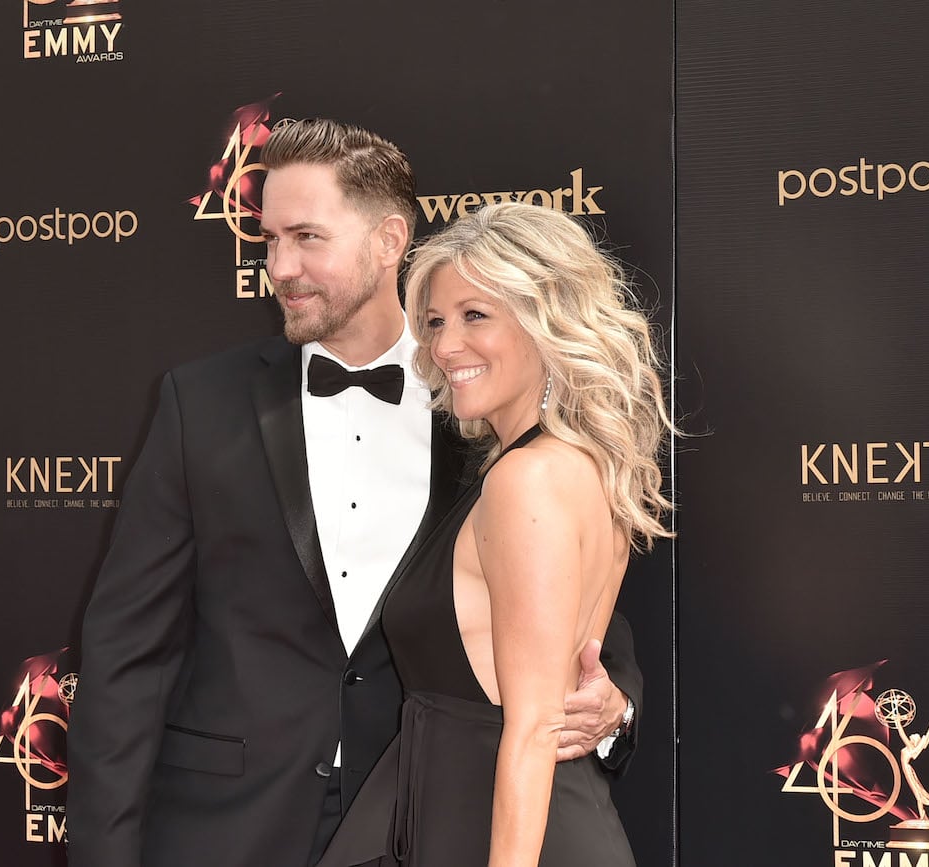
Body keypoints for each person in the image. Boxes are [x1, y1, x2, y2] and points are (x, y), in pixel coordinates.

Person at [66, 120, 644, 867]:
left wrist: (613, 711)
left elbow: (574, 623)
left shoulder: (482, 412)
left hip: (422, 821)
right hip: (229, 827)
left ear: (388, 240)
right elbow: (127, 652)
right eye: (269, 240)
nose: (280, 266)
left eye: (308, 237)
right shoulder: (200, 404)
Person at [321, 202, 673, 867]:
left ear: (547, 322)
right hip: (496, 822)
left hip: (508, 837)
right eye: (435, 322)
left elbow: (535, 727)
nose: (444, 346)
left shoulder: (526, 481)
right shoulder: (575, 466)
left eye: (475, 315)